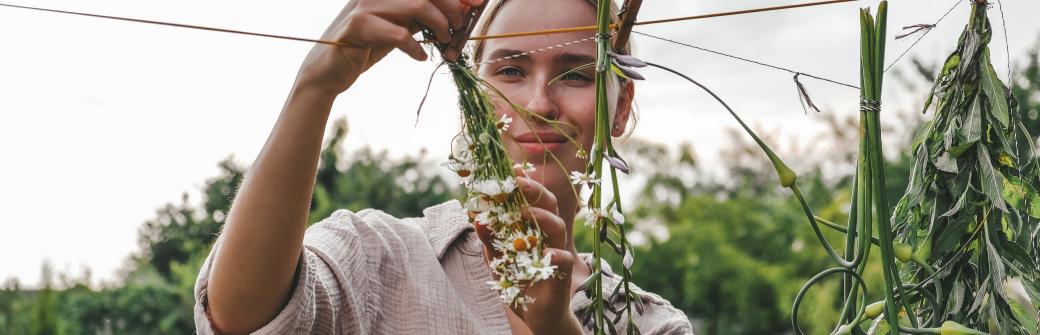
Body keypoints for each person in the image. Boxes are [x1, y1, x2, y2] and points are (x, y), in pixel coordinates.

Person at [192, 0, 693, 334]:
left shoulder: (646, 323)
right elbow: (241, 318)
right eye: (511, 70)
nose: (538, 103)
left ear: (621, 106)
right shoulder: (377, 255)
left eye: (577, 75)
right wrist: (316, 85)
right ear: (470, 92)